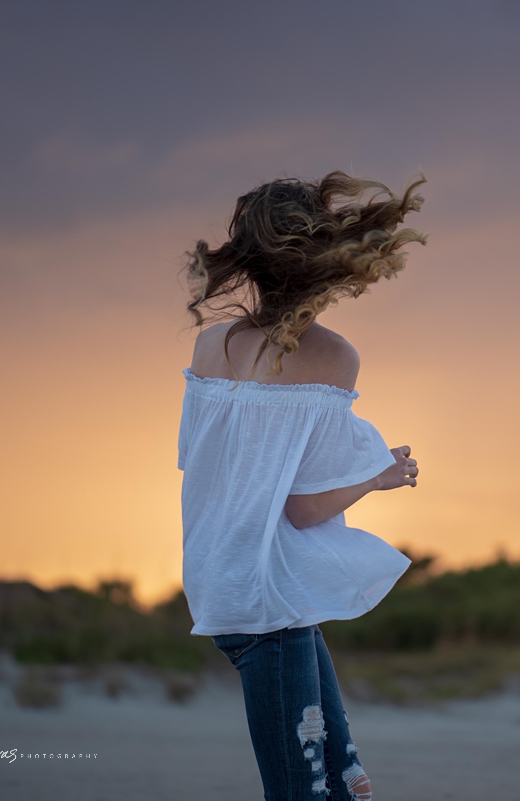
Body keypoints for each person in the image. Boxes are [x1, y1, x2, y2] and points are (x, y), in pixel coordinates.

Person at [176, 171, 427, 800]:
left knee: (345, 786)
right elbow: (306, 508)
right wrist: (378, 474)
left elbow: (201, 465)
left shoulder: (211, 347)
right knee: (301, 793)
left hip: (223, 584)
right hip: (269, 598)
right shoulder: (333, 358)